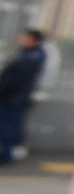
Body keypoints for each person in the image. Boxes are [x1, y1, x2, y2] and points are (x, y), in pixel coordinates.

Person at [0, 28, 48, 164]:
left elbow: (13, 80)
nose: (21, 39)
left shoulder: (30, 58)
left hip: (12, 98)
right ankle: (8, 151)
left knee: (7, 126)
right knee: (10, 125)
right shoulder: (32, 55)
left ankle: (6, 153)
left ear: (34, 40)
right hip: (15, 97)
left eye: (25, 37)